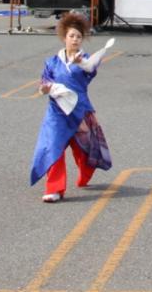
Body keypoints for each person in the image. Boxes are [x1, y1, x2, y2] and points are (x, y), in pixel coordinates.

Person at [30, 12, 114, 203]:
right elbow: (44, 83)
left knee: (83, 149)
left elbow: (91, 70)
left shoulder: (86, 60)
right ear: (64, 38)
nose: (75, 39)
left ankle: (86, 171)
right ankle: (54, 189)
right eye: (72, 36)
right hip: (56, 112)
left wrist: (81, 62)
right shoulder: (51, 62)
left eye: (78, 36)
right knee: (53, 147)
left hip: (79, 111)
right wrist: (44, 88)